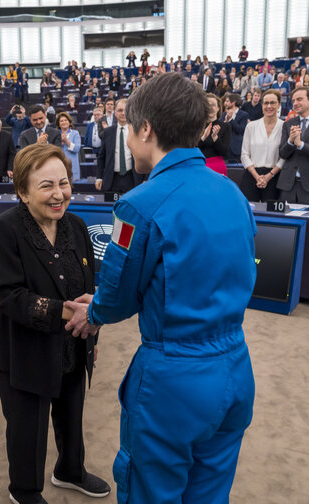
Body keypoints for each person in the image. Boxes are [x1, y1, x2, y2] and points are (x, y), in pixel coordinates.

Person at [64, 72, 256, 504]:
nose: (128, 142)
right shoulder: (233, 193)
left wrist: (92, 314)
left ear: (146, 128)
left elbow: (115, 297)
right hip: (235, 368)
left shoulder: (140, 204)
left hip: (174, 382)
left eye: (129, 130)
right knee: (209, 492)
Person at [0, 143, 110, 504]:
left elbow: (88, 284)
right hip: (23, 348)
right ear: (22, 191)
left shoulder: (78, 226)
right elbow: (8, 296)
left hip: (73, 341)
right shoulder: (4, 230)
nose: (59, 195)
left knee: (72, 414)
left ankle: (70, 470)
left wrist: (92, 331)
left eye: (64, 183)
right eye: (46, 186)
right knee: (28, 426)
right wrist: (69, 313)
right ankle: (24, 490)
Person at [240, 89, 286, 201]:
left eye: (273, 103)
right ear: (262, 105)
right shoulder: (251, 126)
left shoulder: (285, 127)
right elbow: (244, 155)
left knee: (272, 216)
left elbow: (285, 156)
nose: (269, 106)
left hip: (274, 177)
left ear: (279, 104)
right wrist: (257, 177)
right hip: (251, 175)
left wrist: (269, 176)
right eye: (266, 103)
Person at [96, 98, 141, 193]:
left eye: (126, 110)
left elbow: (145, 155)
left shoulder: (137, 131)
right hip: (112, 180)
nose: (123, 113)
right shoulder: (108, 132)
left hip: (132, 178)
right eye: (120, 110)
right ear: (115, 113)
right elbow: (101, 157)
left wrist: (146, 178)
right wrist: (99, 177)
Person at [197, 93, 230, 175]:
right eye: (207, 105)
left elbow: (224, 152)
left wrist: (215, 138)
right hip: (199, 166)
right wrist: (203, 137)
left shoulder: (225, 126)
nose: (210, 107)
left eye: (213, 105)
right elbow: (192, 148)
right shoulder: (197, 126)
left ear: (218, 108)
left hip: (217, 167)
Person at [224, 93, 249, 164]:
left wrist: (231, 119)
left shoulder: (243, 115)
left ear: (233, 102)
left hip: (236, 150)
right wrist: (225, 121)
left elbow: (241, 130)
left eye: (227, 101)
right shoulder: (224, 114)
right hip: (224, 149)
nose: (225, 103)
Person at [55, 112, 82, 180]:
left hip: (72, 166)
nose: (64, 122)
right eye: (61, 121)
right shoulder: (56, 134)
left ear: (69, 122)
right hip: (59, 165)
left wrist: (66, 140)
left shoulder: (75, 133)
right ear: (59, 124)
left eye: (65, 120)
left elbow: (77, 148)